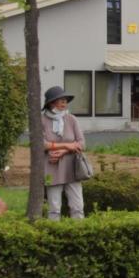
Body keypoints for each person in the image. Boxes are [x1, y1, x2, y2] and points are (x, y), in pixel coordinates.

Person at [41, 85, 87, 220]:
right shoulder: (41, 120)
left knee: (78, 207)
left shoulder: (71, 119)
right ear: (51, 103)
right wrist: (68, 145)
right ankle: (54, 231)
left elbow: (82, 144)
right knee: (54, 209)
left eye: (65, 100)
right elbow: (42, 144)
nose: (64, 103)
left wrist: (63, 151)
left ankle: (79, 230)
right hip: (51, 168)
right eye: (60, 100)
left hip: (72, 168)